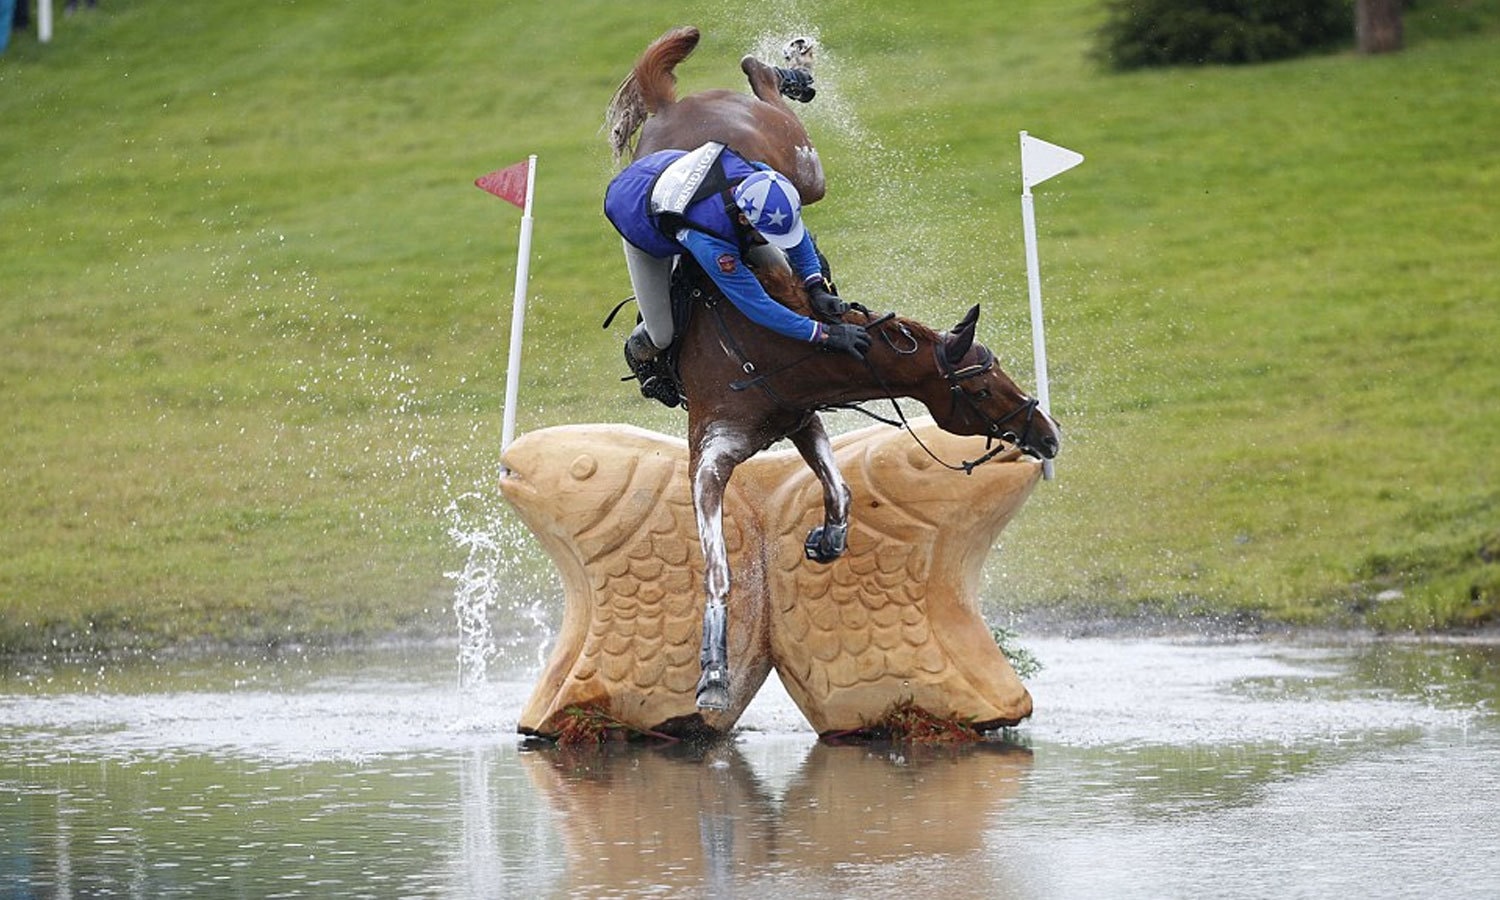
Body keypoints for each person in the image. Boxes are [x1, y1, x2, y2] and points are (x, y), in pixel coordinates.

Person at [604, 141, 870, 407]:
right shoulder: (711, 245)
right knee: (662, 332)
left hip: (674, 171)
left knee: (784, 273)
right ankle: (637, 355)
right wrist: (824, 334)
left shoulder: (763, 179)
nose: (770, 240)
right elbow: (757, 306)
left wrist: (815, 286)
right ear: (744, 219)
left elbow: (797, 238)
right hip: (638, 214)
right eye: (766, 235)